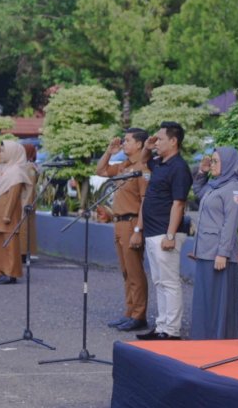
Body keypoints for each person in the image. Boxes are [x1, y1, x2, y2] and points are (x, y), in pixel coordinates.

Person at [135, 121, 192, 341]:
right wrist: (148, 147)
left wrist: (170, 235)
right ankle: (161, 325)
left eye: (160, 138)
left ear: (173, 141)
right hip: (152, 231)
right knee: (159, 281)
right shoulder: (160, 163)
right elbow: (141, 163)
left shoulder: (179, 167)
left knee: (169, 282)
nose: (156, 142)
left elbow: (178, 203)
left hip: (165, 233)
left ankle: (172, 330)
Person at [96, 128, 151, 332]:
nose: (124, 143)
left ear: (139, 144)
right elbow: (100, 171)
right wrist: (109, 152)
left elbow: (145, 201)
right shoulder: (124, 166)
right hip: (118, 222)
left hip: (131, 222)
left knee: (135, 271)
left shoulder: (142, 168)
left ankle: (139, 315)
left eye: (127, 141)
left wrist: (138, 229)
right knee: (126, 272)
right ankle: (129, 312)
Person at [190, 146, 238, 340]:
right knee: (205, 300)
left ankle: (217, 339)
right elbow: (199, 191)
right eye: (211, 161)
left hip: (218, 255)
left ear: (229, 163)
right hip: (206, 251)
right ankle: (203, 339)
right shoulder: (216, 186)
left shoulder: (233, 190)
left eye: (215, 161)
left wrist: (223, 253)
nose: (211, 164)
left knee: (217, 301)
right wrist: (202, 172)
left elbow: (230, 224)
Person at [0, 140, 31, 284]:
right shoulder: (1, 167)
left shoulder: (16, 171)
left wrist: (7, 214)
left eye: (4, 150)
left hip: (8, 212)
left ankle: (11, 272)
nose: (1, 153)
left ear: (13, 153)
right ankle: (1, 270)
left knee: (9, 242)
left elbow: (13, 196)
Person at [19, 143, 39, 263]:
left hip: (25, 203)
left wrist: (27, 205)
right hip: (23, 201)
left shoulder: (29, 168)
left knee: (24, 229)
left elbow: (30, 188)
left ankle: (23, 253)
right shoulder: (26, 166)